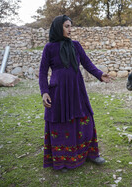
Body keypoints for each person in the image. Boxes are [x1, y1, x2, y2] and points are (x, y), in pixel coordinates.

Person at [39, 15, 111, 170]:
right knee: (61, 124)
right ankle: (62, 159)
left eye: (70, 26)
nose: (70, 29)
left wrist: (99, 74)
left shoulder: (76, 45)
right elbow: (43, 72)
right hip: (58, 91)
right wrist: (44, 92)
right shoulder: (49, 48)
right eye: (66, 26)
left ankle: (92, 154)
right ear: (58, 27)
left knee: (86, 120)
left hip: (77, 89)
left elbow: (87, 63)